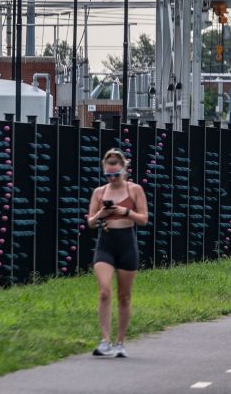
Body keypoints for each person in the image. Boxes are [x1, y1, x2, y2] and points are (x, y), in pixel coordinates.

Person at [87, 148, 149, 357]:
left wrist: (125, 211)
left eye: (116, 174)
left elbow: (143, 219)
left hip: (126, 243)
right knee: (104, 292)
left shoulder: (135, 190)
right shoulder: (99, 192)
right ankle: (105, 340)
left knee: (124, 296)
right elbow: (90, 223)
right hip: (106, 242)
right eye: (108, 175)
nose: (112, 178)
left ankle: (120, 342)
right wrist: (100, 213)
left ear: (124, 171)